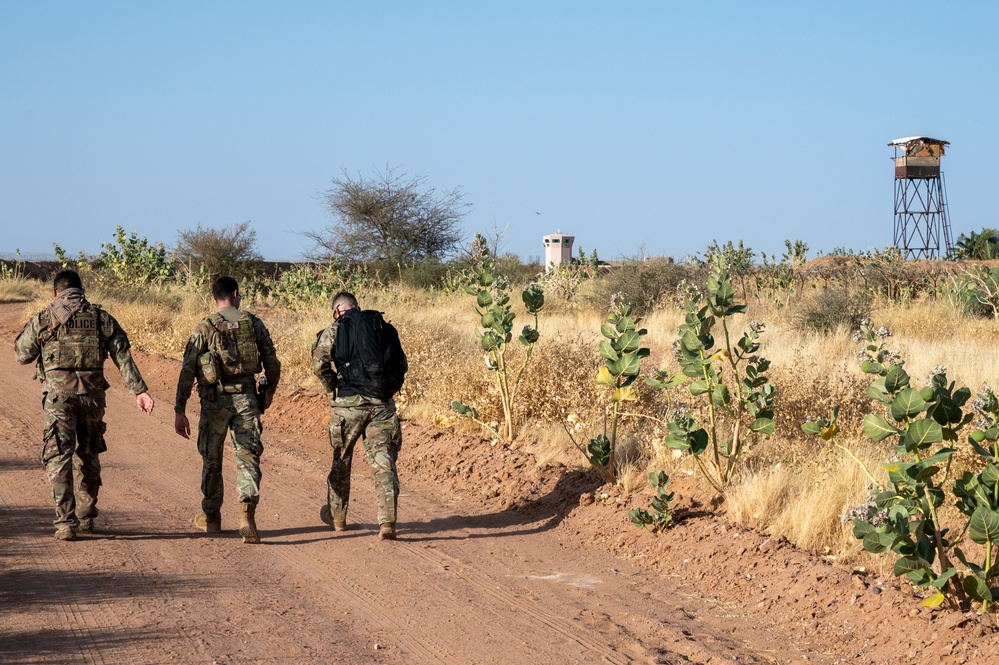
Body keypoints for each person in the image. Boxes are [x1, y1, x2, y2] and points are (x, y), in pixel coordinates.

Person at [14, 269, 155, 541]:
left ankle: (65, 523)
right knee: (88, 453)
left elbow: (22, 355)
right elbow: (122, 355)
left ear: (56, 292)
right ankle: (86, 516)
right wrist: (139, 391)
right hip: (92, 398)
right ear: (82, 291)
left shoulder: (45, 317)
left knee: (59, 456)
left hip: (59, 399)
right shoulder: (101, 317)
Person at [174, 275, 280, 544]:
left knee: (212, 459)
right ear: (236, 293)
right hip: (247, 400)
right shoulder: (253, 323)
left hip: (215, 402)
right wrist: (268, 393)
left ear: (214, 298)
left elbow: (188, 370)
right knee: (248, 458)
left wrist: (180, 408)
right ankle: (247, 514)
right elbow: (272, 362)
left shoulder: (204, 327)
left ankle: (212, 518)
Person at [311, 291, 407, 540]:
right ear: (358, 307)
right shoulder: (381, 327)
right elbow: (401, 364)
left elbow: (319, 362)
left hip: (348, 405)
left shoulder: (335, 329)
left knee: (341, 460)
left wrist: (334, 386)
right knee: (384, 461)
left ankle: (338, 517)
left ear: (337, 311)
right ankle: (387, 522)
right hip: (382, 405)